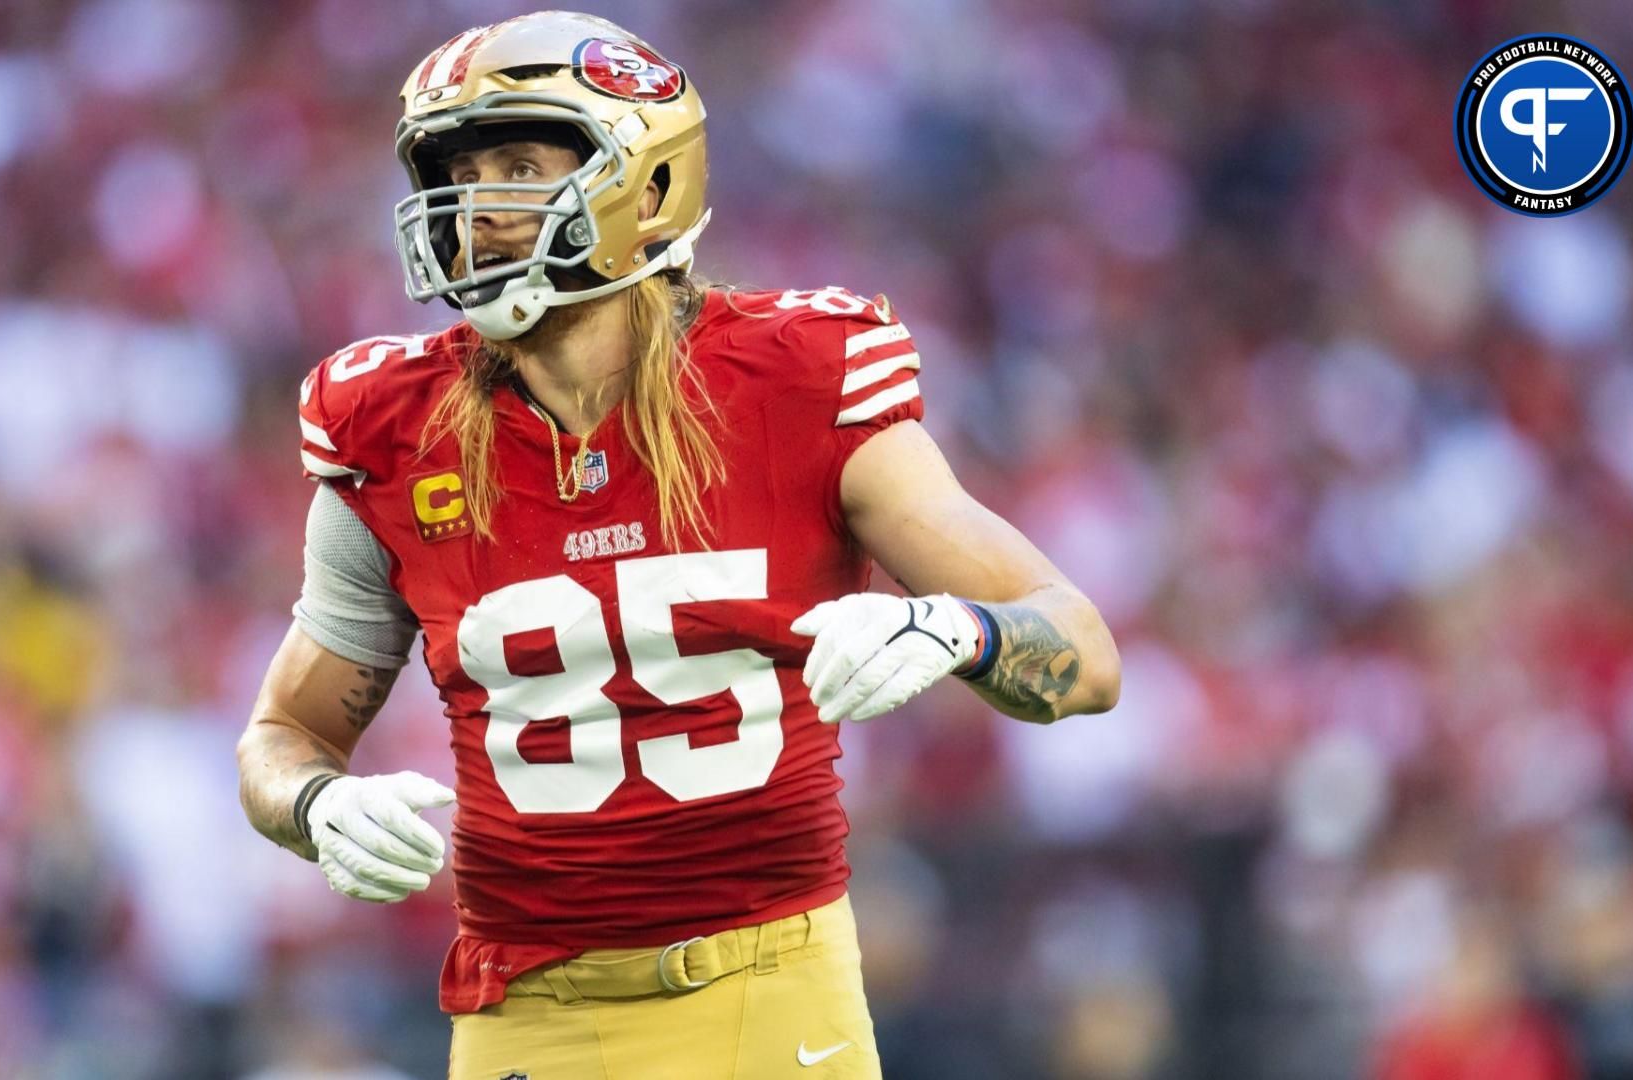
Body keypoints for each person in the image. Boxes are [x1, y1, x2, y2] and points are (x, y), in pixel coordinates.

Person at [235, 12, 1120, 1078]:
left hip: (770, 982)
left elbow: (1083, 652)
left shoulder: (794, 382)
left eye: (519, 166)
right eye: (460, 175)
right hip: (531, 1009)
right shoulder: (386, 427)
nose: (478, 211)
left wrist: (958, 630)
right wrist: (318, 804)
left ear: (646, 188)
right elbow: (283, 734)